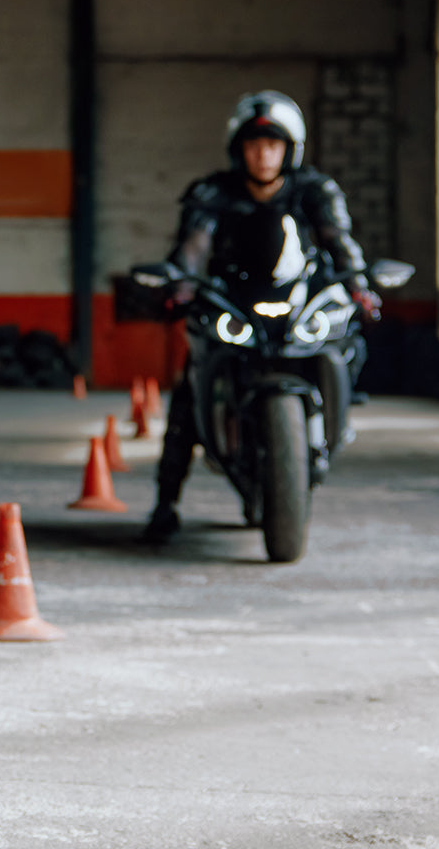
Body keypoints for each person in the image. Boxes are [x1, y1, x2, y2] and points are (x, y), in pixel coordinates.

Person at [142, 90, 378, 545]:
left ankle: (336, 415)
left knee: (349, 342)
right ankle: (165, 504)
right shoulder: (212, 193)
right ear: (239, 149)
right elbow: (192, 247)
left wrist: (360, 287)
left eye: (273, 145)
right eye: (254, 145)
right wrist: (180, 287)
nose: (263, 154)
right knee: (190, 391)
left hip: (298, 299)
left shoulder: (314, 190)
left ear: (290, 149)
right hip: (232, 300)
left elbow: (340, 242)